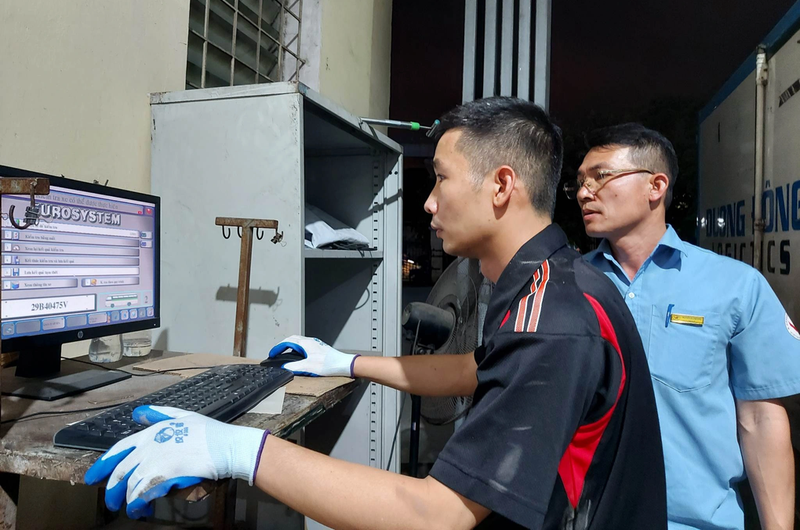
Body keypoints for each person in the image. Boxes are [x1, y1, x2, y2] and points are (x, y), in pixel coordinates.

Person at [85, 98, 667, 529]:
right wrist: (346, 360)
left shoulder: (552, 317)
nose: (429, 201)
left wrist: (236, 451)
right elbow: (477, 368)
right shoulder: (554, 282)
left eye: (440, 178)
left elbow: (436, 515)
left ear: (501, 185)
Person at [573, 123, 799, 530]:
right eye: (581, 181)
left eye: (601, 176)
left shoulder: (735, 285)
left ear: (655, 186)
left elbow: (761, 420)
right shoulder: (566, 285)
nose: (584, 192)